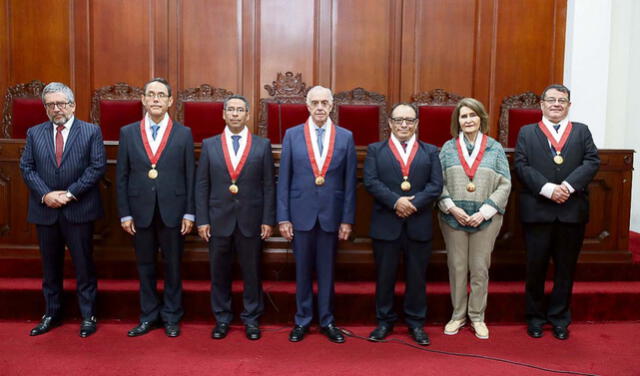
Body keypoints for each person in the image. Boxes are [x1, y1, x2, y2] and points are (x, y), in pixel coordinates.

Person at [20, 82, 106, 338]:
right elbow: (26, 167)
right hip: (45, 209)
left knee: (83, 265)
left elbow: (97, 167)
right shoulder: (34, 133)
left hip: (78, 209)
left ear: (72, 105)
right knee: (50, 267)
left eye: (60, 103)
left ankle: (88, 315)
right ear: (45, 108)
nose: (56, 109)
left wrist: (69, 194)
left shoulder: (91, 131)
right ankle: (52, 314)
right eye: (50, 105)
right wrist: (46, 194)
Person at [515, 84, 599, 340]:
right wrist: (547, 188)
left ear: (569, 105)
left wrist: (568, 187)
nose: (556, 104)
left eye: (561, 100)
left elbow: (592, 161)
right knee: (535, 267)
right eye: (551, 100)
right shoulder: (527, 132)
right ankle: (535, 318)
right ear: (541, 104)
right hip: (538, 211)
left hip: (571, 211)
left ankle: (560, 319)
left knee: (566, 269)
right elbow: (521, 164)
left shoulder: (581, 131)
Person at [277, 85, 357, 343]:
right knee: (301, 271)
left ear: (332, 105)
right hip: (300, 214)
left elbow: (349, 182)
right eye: (315, 103)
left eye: (325, 102)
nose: (320, 107)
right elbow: (284, 179)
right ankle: (301, 320)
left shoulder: (345, 136)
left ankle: (327, 320)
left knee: (327, 272)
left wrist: (347, 219)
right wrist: (283, 216)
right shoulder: (292, 135)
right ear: (307, 105)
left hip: (331, 216)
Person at [116, 77, 195, 338]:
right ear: (143, 100)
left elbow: (190, 176)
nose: (156, 99)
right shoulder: (128, 132)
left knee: (173, 266)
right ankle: (149, 316)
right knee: (145, 266)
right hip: (140, 212)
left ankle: (172, 316)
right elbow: (122, 176)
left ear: (171, 101)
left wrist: (189, 212)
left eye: (161, 95)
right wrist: (125, 212)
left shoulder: (184, 133)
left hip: (174, 210)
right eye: (151, 94)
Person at [195, 95, 275, 341]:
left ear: (248, 115)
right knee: (219, 273)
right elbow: (202, 185)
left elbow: (269, 185)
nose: (235, 114)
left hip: (251, 220)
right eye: (230, 109)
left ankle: (251, 320)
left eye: (240, 110)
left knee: (252, 272)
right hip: (218, 220)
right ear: (223, 114)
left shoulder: (262, 145)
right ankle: (221, 318)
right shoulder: (210, 145)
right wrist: (202, 220)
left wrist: (268, 220)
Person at [363, 103, 443, 346]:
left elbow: (436, 185)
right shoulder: (376, 150)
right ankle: (384, 321)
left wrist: (413, 203)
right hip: (387, 224)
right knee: (385, 276)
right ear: (390, 123)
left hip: (418, 224)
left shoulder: (430, 151)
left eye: (409, 120)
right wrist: (396, 201)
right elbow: (371, 181)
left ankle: (416, 323)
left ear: (416, 123)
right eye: (399, 120)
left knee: (417, 277)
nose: (404, 124)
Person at [437, 98, 511, 339]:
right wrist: (451, 208)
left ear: (481, 118)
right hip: (453, 217)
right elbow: (438, 182)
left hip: (485, 218)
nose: (468, 120)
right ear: (457, 121)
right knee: (457, 267)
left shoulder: (495, 148)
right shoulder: (448, 148)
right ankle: (458, 315)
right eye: (463, 116)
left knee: (479, 268)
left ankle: (477, 316)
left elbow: (505, 184)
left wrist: (485, 211)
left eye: (472, 115)